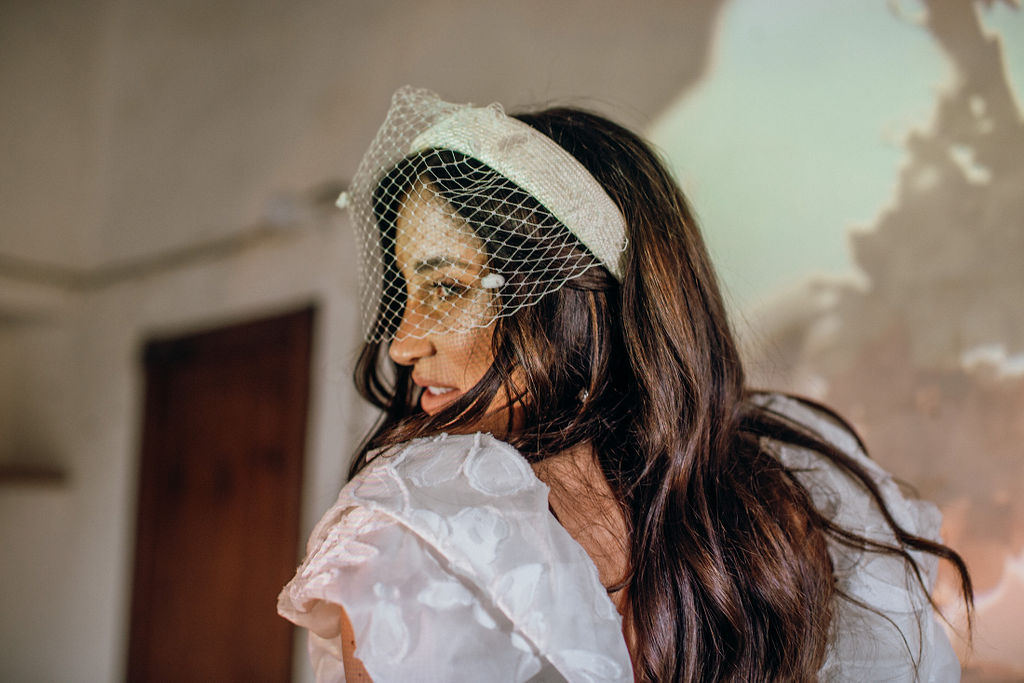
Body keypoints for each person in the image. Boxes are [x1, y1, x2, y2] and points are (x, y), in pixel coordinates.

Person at [278, 87, 972, 682]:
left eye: (449, 288)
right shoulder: (420, 531)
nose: (403, 343)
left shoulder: (780, 501)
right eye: (406, 294)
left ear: (579, 302)